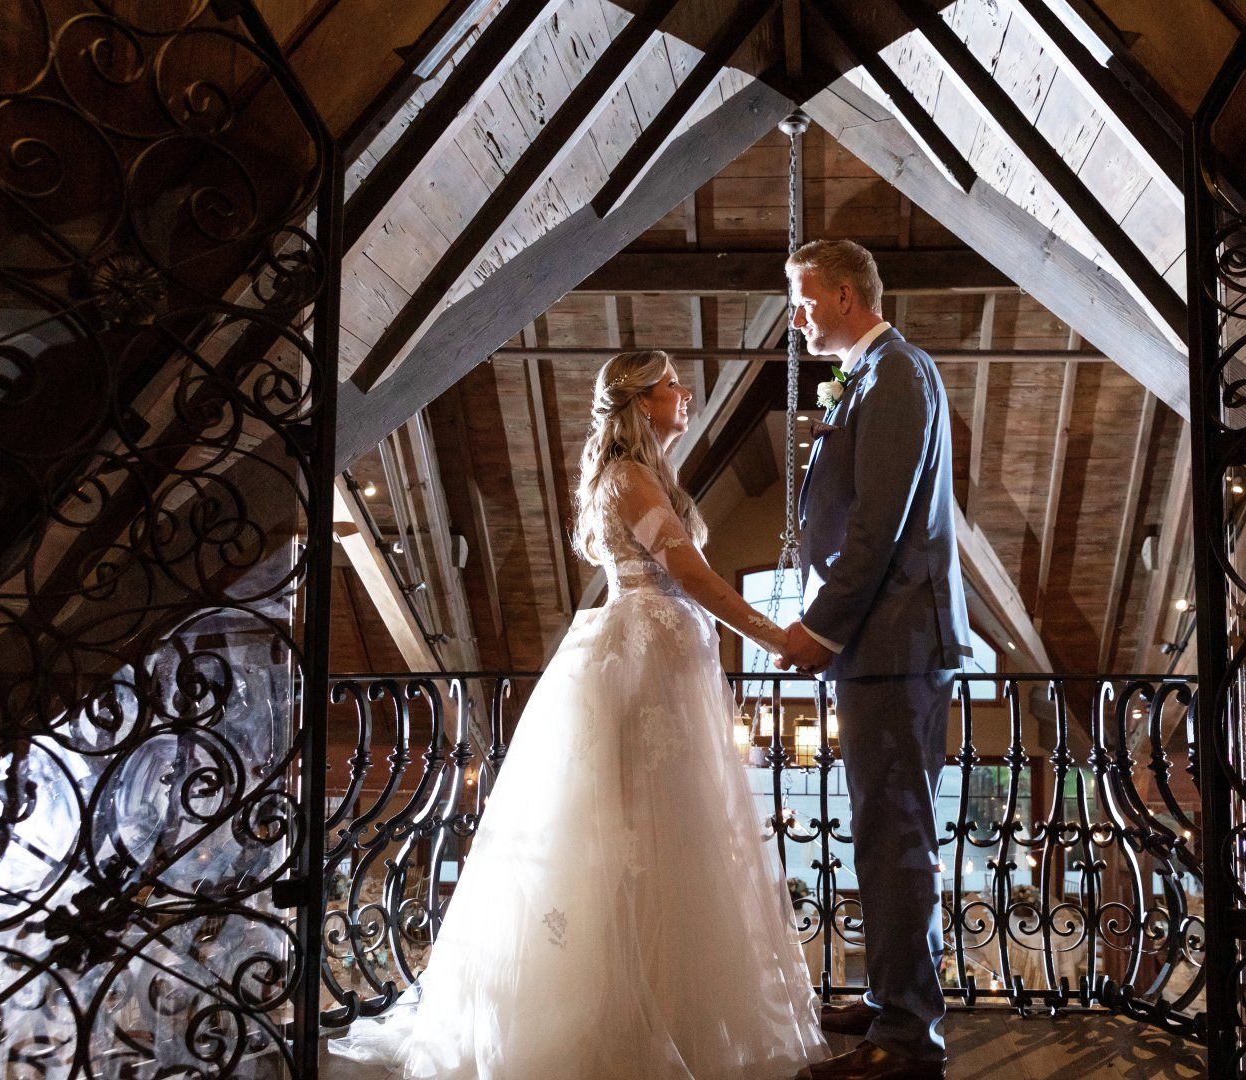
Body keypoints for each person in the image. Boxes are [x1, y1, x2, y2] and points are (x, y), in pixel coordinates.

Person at [325, 350, 827, 1079]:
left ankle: (671, 1002)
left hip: (666, 655)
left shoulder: (648, 474)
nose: (685, 395)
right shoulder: (627, 477)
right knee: (635, 825)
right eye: (671, 387)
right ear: (639, 402)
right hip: (645, 657)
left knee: (672, 828)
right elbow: (688, 573)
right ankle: (612, 1013)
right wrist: (772, 634)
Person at [775, 240, 971, 1080]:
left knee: (896, 840)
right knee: (881, 836)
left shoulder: (895, 374)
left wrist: (819, 629)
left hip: (895, 642)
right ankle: (894, 999)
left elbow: (880, 521)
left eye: (804, 298)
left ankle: (905, 1040)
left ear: (845, 293)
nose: (796, 316)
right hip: (882, 645)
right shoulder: (872, 373)